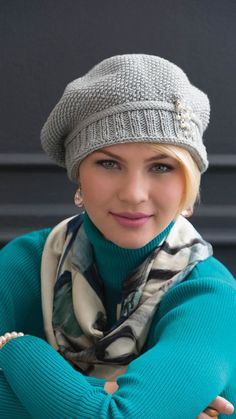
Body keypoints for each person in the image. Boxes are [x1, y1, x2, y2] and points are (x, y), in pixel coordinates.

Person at [0, 54, 235, 419]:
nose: (134, 194)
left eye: (161, 166)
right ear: (80, 174)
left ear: (188, 179)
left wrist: (16, 348)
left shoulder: (209, 293)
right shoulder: (25, 262)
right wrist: (107, 393)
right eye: (109, 163)